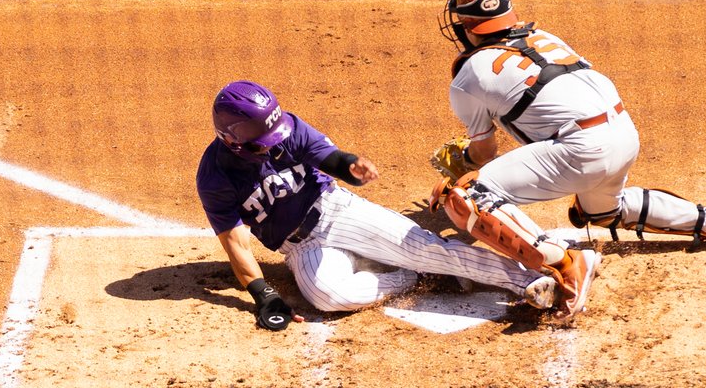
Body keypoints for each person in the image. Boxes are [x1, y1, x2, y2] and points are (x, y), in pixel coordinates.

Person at [432, 0, 706, 324]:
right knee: (602, 212)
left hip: (580, 150)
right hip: (624, 134)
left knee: (467, 196)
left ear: (468, 26)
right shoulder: (545, 37)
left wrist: (462, 161)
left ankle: (568, 264)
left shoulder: (468, 77)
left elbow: (484, 153)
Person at [198, 80, 555, 328]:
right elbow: (236, 244)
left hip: (336, 211)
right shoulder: (214, 178)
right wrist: (264, 296)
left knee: (425, 248)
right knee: (328, 295)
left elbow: (329, 158)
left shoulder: (286, 128)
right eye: (263, 142)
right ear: (232, 140)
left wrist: (350, 165)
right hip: (300, 247)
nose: (274, 145)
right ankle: (414, 275)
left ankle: (529, 281)